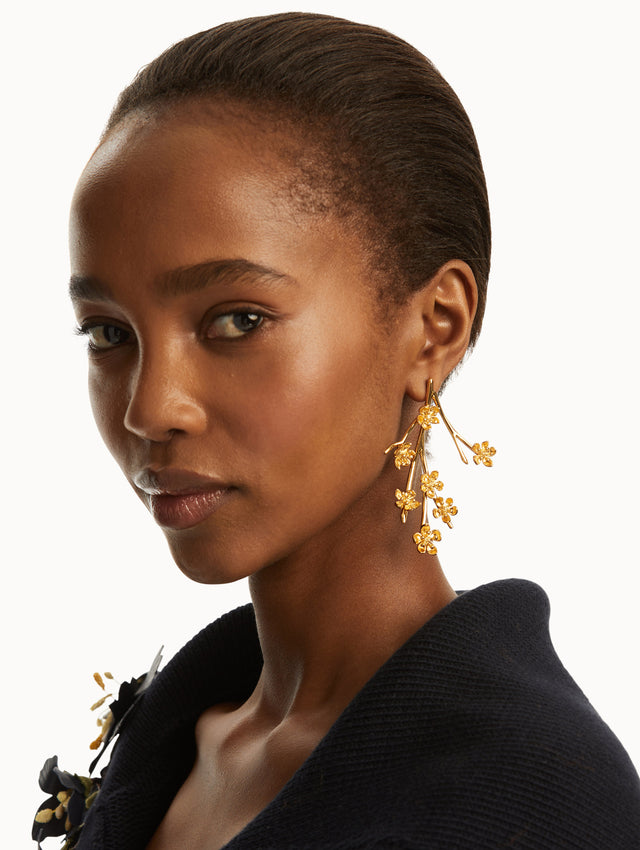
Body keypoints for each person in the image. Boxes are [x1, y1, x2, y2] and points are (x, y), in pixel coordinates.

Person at [33, 11, 640, 849]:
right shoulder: (177, 733)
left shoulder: (534, 803)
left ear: (434, 326)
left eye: (237, 319)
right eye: (108, 333)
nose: (150, 408)